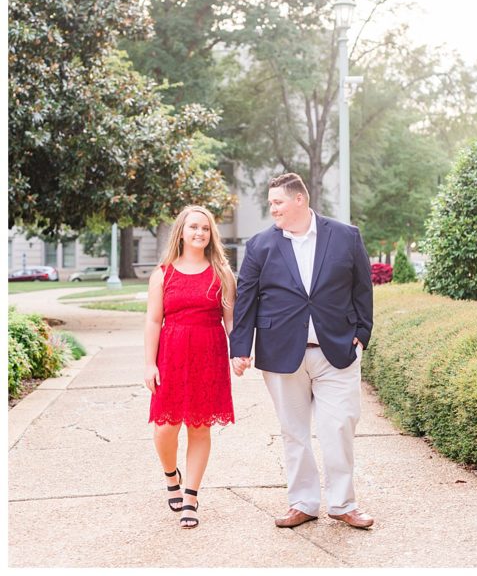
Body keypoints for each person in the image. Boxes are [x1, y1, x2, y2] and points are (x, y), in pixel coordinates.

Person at [229, 172, 374, 529]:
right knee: (293, 431)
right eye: (270, 203)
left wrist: (362, 334)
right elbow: (246, 297)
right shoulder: (260, 245)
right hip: (281, 353)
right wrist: (240, 348)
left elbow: (362, 288)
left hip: (336, 351)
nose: (272, 208)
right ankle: (303, 503)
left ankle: (343, 504)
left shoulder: (345, 236)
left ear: (299, 201)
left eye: (277, 202)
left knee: (338, 427)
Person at [144, 205, 236, 529]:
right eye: (193, 227)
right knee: (165, 427)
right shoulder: (163, 273)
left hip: (208, 356)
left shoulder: (221, 272)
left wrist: (238, 354)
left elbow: (230, 321)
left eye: (205, 228)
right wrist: (148, 365)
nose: (199, 233)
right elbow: (154, 320)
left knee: (200, 427)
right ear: (181, 231)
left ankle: (191, 496)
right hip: (170, 356)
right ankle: (171, 474)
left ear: (211, 234)